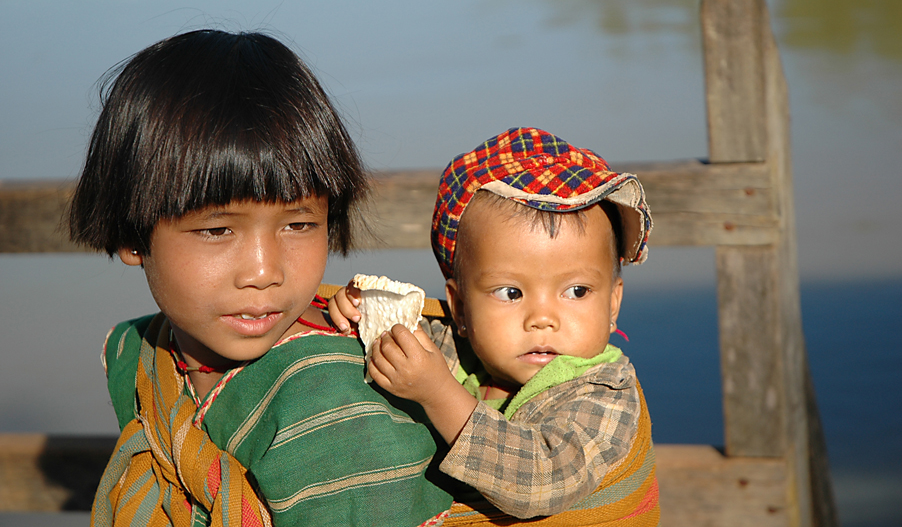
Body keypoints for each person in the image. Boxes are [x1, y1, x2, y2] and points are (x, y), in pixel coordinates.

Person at [67, 29, 452, 527]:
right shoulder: (141, 354)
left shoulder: (335, 416)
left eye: (298, 224)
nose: (264, 272)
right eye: (216, 230)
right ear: (132, 237)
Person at [330, 128, 660, 525]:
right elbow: (406, 348)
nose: (542, 318)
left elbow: (541, 481)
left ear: (613, 303)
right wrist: (363, 314)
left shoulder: (604, 393)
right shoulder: (457, 350)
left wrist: (439, 394)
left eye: (576, 290)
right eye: (510, 292)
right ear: (461, 309)